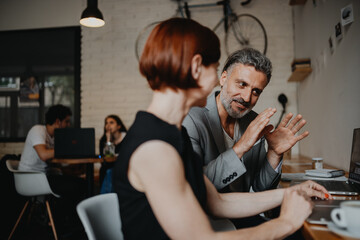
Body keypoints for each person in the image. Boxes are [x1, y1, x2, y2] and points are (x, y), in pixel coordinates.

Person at [112, 18, 330, 240]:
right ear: (197, 67)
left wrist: (292, 192)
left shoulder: (172, 134)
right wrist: (286, 223)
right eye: (215, 69)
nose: (217, 79)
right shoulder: (155, 148)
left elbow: (218, 202)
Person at [183, 48, 309, 193]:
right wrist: (241, 147)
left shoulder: (254, 122)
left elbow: (260, 188)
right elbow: (195, 184)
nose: (247, 97)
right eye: (242, 84)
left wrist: (274, 153)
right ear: (223, 78)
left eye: (256, 91)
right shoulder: (191, 119)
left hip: (246, 212)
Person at [19, 104, 86, 234]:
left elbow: (56, 161)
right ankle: (59, 222)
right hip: (30, 179)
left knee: (80, 183)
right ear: (57, 121)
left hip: (43, 177)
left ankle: (64, 221)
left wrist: (74, 172)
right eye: (66, 121)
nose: (68, 125)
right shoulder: (38, 130)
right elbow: (44, 155)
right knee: (75, 186)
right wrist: (68, 148)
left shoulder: (54, 138)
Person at [99, 114, 127, 186]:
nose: (108, 125)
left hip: (123, 167)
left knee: (111, 171)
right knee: (106, 171)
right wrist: (108, 141)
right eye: (106, 123)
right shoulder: (103, 140)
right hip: (108, 167)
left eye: (111, 123)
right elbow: (106, 158)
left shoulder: (127, 138)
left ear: (119, 126)